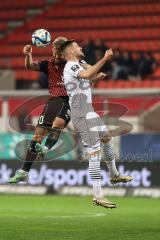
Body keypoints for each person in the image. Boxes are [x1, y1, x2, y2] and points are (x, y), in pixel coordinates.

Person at [59, 40, 133, 209]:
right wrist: (105, 58)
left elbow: (86, 78)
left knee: (106, 138)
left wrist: (94, 77)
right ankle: (98, 194)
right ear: (70, 51)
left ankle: (114, 174)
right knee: (94, 152)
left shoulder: (78, 65)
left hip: (89, 111)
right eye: (77, 46)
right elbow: (86, 74)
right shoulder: (71, 65)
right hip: (81, 112)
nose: (81, 48)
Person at [8, 36, 71, 183]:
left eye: (60, 52)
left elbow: (87, 69)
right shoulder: (47, 64)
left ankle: (46, 149)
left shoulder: (72, 64)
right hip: (53, 102)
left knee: (59, 124)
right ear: (52, 49)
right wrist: (28, 55)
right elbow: (30, 66)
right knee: (37, 137)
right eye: (55, 50)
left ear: (66, 52)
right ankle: (24, 171)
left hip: (69, 101)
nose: (56, 54)